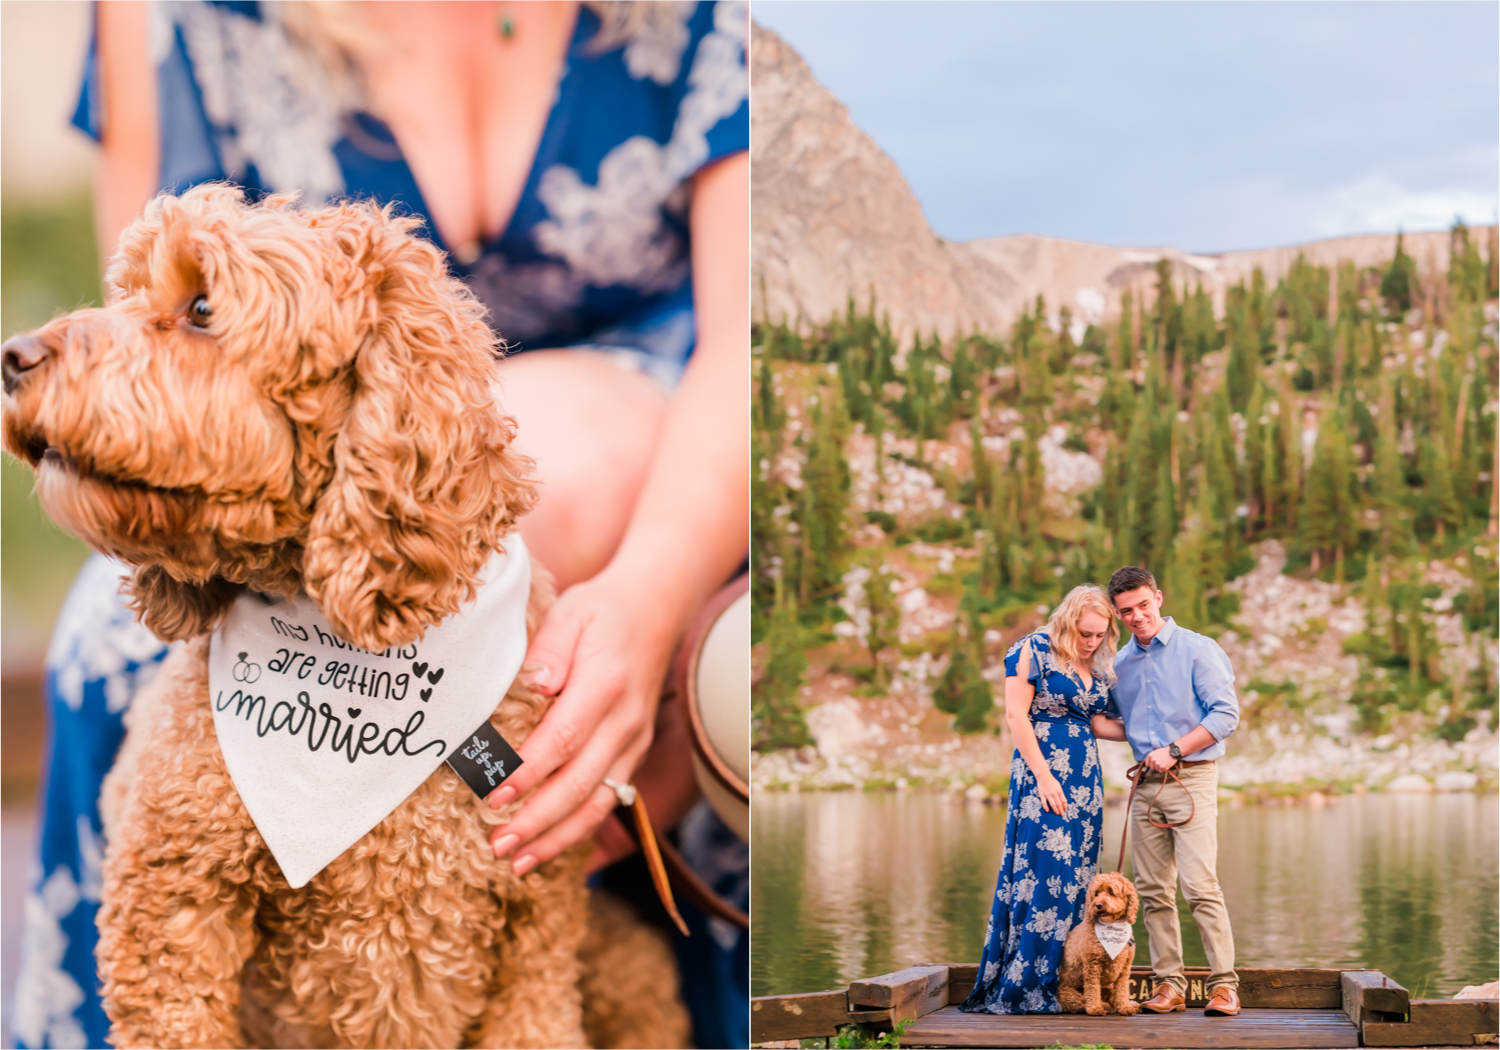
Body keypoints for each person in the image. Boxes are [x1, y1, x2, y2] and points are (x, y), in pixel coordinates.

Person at [12, 4, 748, 1049]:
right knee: (103, 647)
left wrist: (649, 599)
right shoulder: (167, 19)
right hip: (284, 475)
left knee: (573, 501)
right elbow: (143, 360)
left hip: (679, 458)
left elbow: (752, 339)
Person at [961, 585, 1130, 1015]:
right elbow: (1016, 715)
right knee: (1044, 875)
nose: (1091, 642)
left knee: (1078, 880)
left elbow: (1094, 721)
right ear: (1067, 620)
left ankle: (1069, 986)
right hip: (1042, 778)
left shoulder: (1096, 662)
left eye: (1099, 635)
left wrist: (1149, 737)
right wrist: (1044, 777)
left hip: (1085, 781)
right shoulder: (1032, 650)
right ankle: (1028, 984)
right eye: (1084, 633)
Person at [1104, 565, 1241, 1018]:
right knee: (1153, 890)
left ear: (1158, 598)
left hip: (1193, 776)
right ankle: (1170, 986)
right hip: (1146, 784)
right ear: (1118, 614)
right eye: (1127, 610)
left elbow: (1225, 716)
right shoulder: (1119, 665)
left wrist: (1175, 749)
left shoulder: (1198, 650)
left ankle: (1224, 987)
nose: (1137, 616)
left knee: (1200, 886)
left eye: (1143, 605)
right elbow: (1121, 724)